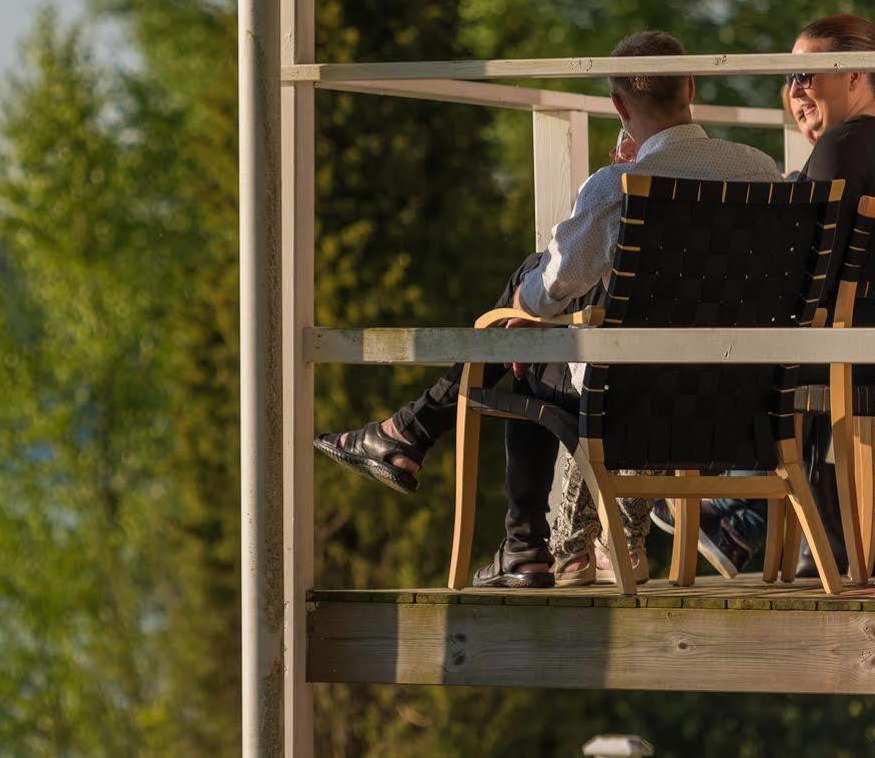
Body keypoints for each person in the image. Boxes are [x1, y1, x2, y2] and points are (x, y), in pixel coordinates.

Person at [314, 31, 785, 589]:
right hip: (742, 398)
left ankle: (507, 531)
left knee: (526, 329)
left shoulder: (619, 186)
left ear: (618, 105)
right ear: (691, 86)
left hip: (633, 401)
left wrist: (525, 306)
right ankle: (417, 444)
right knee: (533, 320)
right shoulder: (760, 171)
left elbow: (546, 292)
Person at [648, 13, 875, 577]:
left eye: (807, 76)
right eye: (787, 80)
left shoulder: (842, 144)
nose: (794, 91)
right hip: (873, 333)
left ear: (853, 76)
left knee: (693, 344)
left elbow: (787, 265)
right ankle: (744, 520)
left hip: (846, 346)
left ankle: (721, 509)